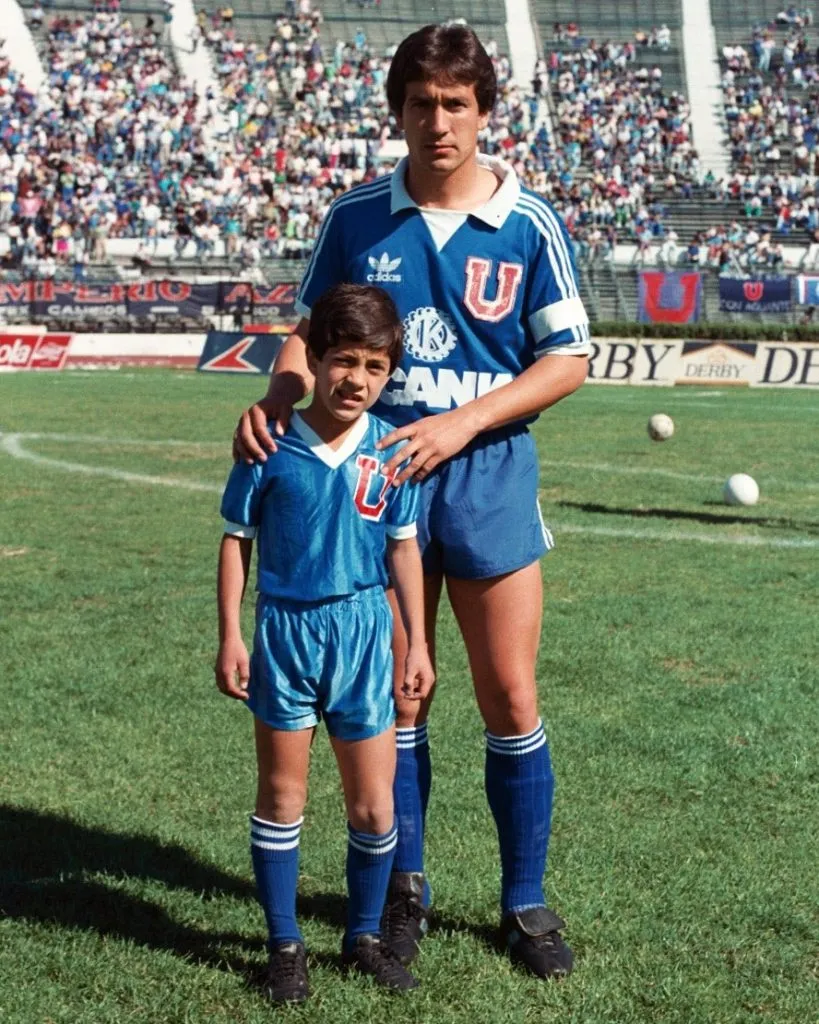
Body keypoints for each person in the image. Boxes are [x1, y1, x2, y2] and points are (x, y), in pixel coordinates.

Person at [234, 23, 589, 980]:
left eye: (456, 103)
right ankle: (405, 891)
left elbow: (566, 360)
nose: (438, 121)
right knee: (396, 693)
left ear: (483, 112)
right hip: (373, 478)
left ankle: (523, 900)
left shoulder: (527, 221)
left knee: (507, 692)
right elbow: (309, 334)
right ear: (397, 111)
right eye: (421, 103)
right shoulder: (355, 218)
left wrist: (462, 423)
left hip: (482, 472)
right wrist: (279, 391)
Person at [216, 283, 435, 1003]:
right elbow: (236, 542)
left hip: (365, 634)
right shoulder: (267, 443)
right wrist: (230, 635)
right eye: (343, 361)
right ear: (311, 359)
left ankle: (363, 935)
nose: (357, 380)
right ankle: (284, 945)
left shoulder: (390, 450)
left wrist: (417, 645)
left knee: (373, 807)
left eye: (375, 368)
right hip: (286, 631)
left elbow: (404, 552)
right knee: (283, 796)